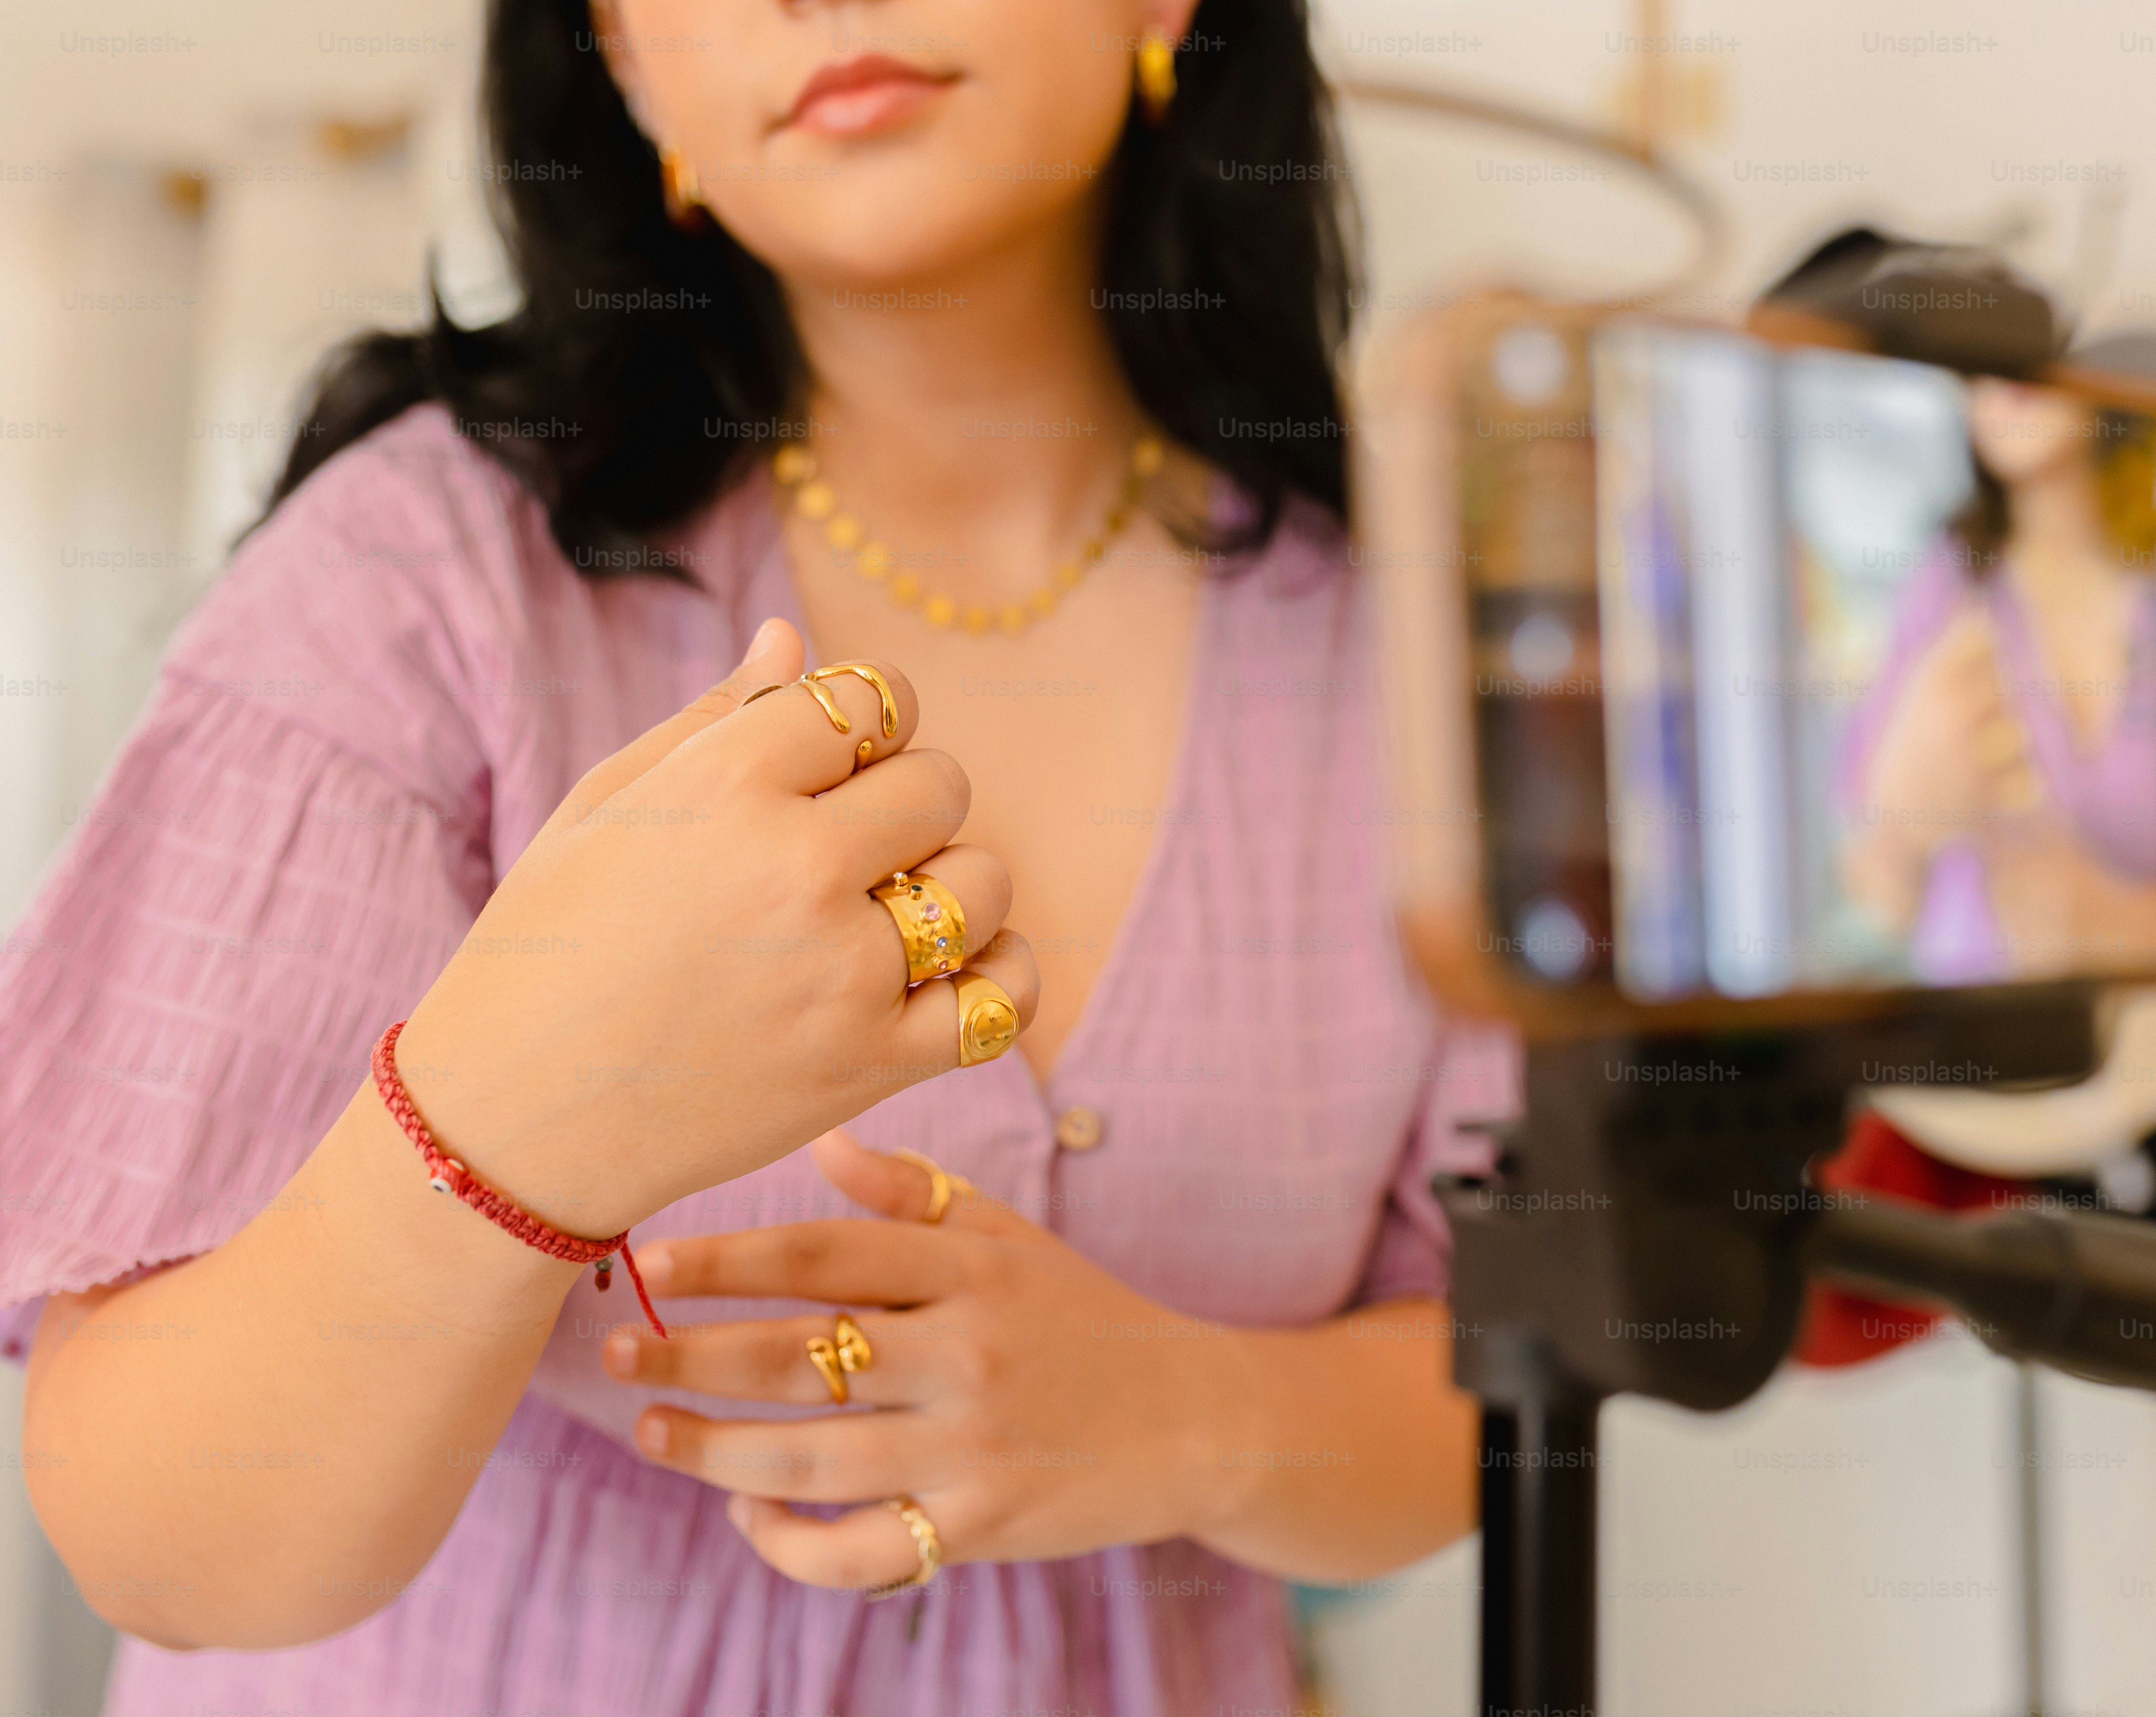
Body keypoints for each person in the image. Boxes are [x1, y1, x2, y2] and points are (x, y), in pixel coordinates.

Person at [0, 2, 1514, 1713]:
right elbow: (153, 1540)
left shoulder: (1428, 659)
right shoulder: (413, 582)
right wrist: (520, 1119)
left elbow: (1512, 1372)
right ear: (627, 65)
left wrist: (1191, 1417)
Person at [1837, 377, 2156, 982]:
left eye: (2034, 350)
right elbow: (1879, 899)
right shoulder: (1947, 587)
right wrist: (1901, 818)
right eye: (1978, 367)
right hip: (1973, 1039)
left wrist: (2138, 925)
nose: (2003, 378)